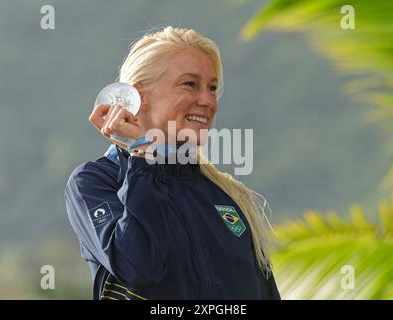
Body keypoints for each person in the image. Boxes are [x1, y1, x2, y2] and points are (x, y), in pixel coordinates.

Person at [64, 26, 280, 300]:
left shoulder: (226, 194)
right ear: (138, 97)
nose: (207, 101)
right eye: (190, 84)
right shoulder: (95, 181)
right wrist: (144, 152)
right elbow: (139, 268)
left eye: (212, 88)